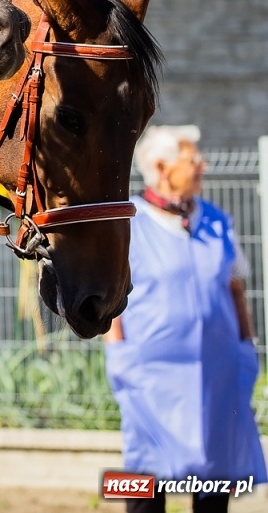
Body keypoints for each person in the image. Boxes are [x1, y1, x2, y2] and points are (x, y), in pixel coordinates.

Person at [106, 125, 266, 512]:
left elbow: (235, 289)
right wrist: (119, 355)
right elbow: (112, 302)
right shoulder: (129, 223)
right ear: (161, 168)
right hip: (149, 375)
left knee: (214, 469)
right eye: (192, 159)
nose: (202, 165)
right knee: (145, 469)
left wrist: (246, 350)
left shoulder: (217, 221)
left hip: (217, 375)